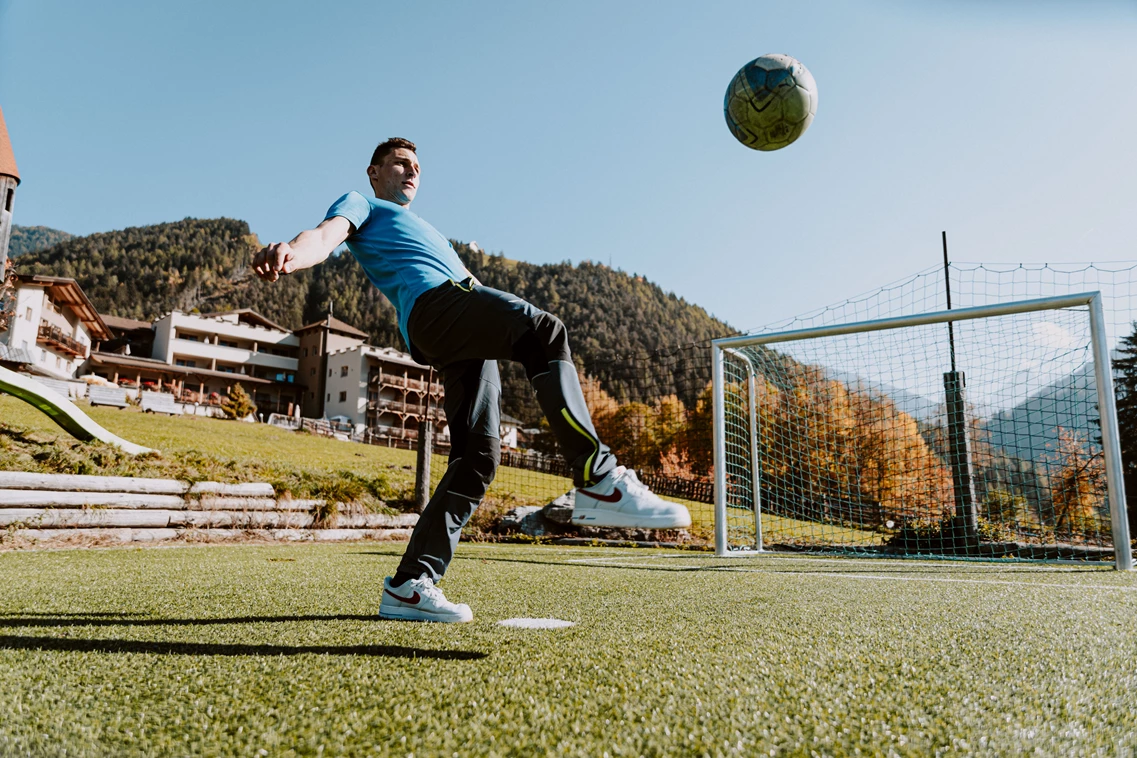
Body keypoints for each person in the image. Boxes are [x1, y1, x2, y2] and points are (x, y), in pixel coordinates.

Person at [253, 138, 690, 623]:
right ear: (374, 172)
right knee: (544, 332)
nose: (412, 172)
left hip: (460, 325)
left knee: (478, 457)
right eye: (401, 163)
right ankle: (599, 478)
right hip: (439, 309)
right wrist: (290, 253)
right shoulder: (364, 204)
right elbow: (323, 235)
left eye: (417, 166)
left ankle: (409, 584)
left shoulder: (424, 227)